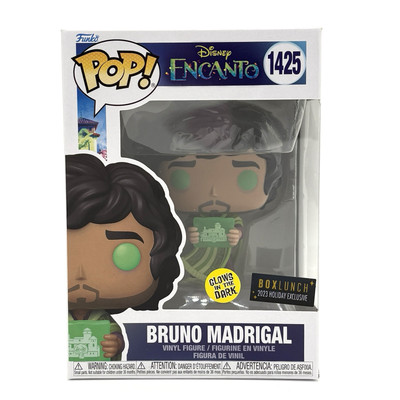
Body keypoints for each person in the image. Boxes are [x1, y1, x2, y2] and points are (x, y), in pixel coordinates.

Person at [66, 153, 182, 359]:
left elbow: (115, 335)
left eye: (125, 255)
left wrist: (116, 343)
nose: (80, 274)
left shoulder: (101, 319)